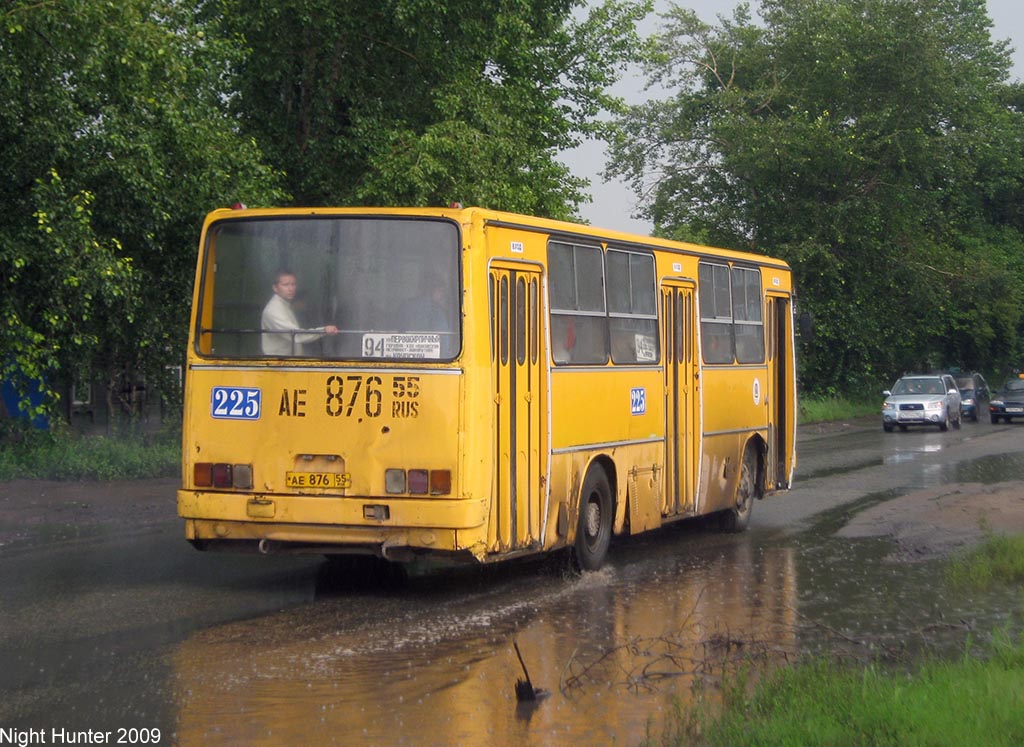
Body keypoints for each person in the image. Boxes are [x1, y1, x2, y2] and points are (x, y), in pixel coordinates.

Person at [261, 270, 338, 356]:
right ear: (275, 288)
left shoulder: (284, 305)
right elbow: (296, 335)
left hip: (287, 362)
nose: (291, 289)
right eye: (285, 285)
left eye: (293, 284)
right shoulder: (274, 310)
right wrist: (324, 330)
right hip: (278, 364)